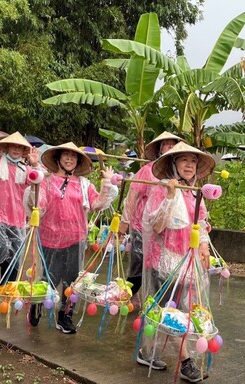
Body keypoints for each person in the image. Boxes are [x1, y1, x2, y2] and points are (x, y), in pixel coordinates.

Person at [140, 141, 214, 383]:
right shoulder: (162, 188)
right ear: (174, 164)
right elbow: (157, 224)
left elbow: (200, 223)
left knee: (181, 311)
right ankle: (185, 362)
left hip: (187, 261)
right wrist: (171, 197)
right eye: (184, 161)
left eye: (193, 161)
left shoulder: (195, 192)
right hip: (164, 261)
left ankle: (146, 351)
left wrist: (204, 247)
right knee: (167, 313)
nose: (190, 166)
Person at [26, 142, 118, 334]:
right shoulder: (47, 181)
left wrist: (107, 184)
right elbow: (38, 204)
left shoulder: (84, 184)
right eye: (65, 155)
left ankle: (65, 315)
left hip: (76, 239)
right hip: (50, 238)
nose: (69, 159)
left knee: (72, 280)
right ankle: (37, 305)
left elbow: (97, 204)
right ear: (58, 159)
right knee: (49, 278)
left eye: (73, 156)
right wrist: (35, 171)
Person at [119, 132, 186, 310]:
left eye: (174, 145)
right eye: (167, 144)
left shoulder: (181, 174)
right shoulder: (148, 170)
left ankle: (157, 302)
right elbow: (132, 195)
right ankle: (131, 295)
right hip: (142, 226)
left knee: (158, 267)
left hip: (168, 232)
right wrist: (124, 223)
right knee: (139, 263)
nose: (170, 148)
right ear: (159, 148)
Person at [0, 132, 40, 294]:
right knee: (2, 247)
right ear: (7, 147)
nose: (17, 150)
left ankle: (6, 287)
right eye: (14, 146)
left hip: (18, 217)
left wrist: (35, 165)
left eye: (20, 147)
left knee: (15, 254)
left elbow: (37, 185)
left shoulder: (25, 169)